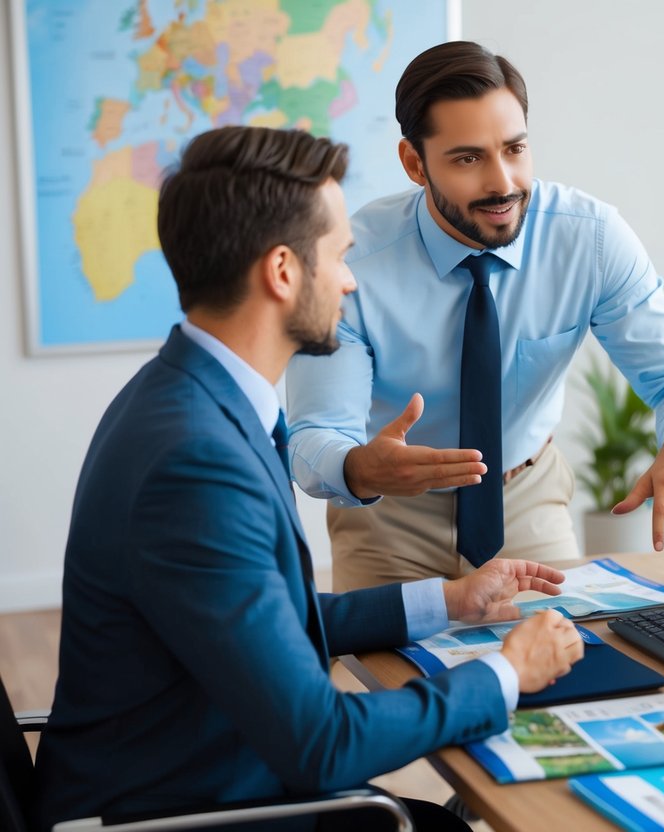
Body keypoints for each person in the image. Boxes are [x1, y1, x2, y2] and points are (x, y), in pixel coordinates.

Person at [34, 125, 584, 832]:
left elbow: (267, 622)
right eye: (340, 257)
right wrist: (507, 673)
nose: (350, 281)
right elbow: (322, 743)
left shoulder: (192, 397)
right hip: (189, 814)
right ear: (283, 271)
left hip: (211, 784)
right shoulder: (194, 462)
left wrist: (448, 601)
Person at [286, 40, 664, 590]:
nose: (502, 182)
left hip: (525, 496)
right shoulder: (352, 264)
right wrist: (357, 468)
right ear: (413, 164)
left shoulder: (588, 239)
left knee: (570, 662)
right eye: (468, 158)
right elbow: (314, 435)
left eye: (514, 149)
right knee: (386, 674)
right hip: (389, 517)